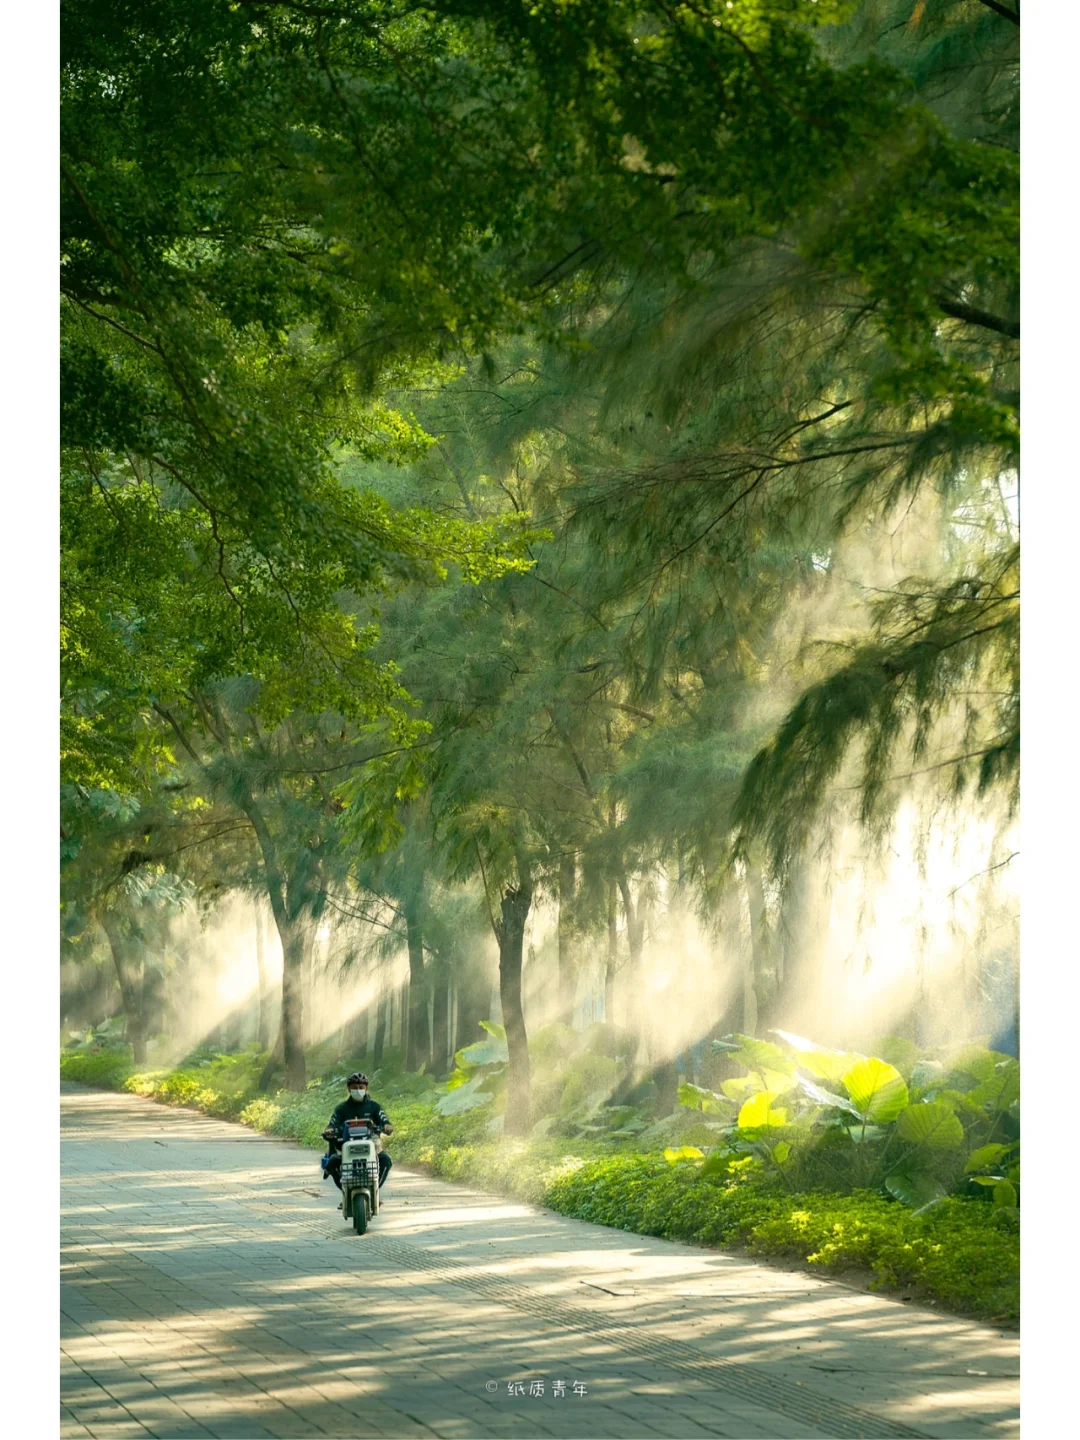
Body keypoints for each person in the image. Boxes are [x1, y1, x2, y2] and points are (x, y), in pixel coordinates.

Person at [321, 1072, 394, 1194]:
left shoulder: (374, 1107)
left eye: (361, 1087)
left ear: (366, 1088)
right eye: (355, 1087)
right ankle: (346, 1192)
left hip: (372, 1149)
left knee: (386, 1160)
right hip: (347, 1150)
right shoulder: (341, 1108)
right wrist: (329, 1130)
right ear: (349, 1088)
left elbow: (383, 1119)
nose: (358, 1090)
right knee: (333, 1161)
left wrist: (386, 1126)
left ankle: (374, 1190)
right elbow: (333, 1123)